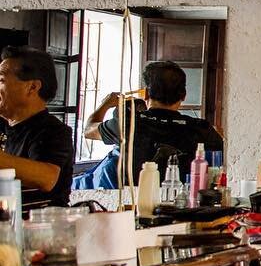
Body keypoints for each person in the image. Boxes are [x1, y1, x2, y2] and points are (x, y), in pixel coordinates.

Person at [82, 61, 224, 185]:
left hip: (132, 203)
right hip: (183, 204)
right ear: (184, 95)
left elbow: (88, 131)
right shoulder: (201, 129)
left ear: (147, 94)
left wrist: (105, 105)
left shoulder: (128, 124)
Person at [0, 47, 74, 208]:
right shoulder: (3, 127)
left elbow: (47, 178)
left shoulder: (53, 131)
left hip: (42, 230)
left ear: (32, 87)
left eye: (2, 80)